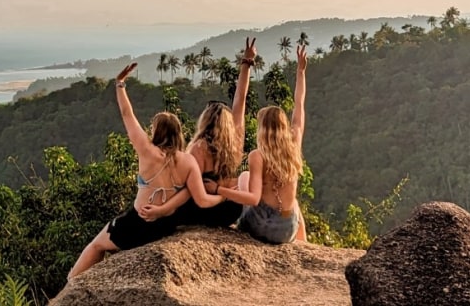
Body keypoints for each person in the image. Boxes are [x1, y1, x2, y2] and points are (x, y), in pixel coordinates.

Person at [67, 62, 223, 279]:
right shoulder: (188, 161)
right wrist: (223, 195)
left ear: (156, 131)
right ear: (178, 133)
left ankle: (70, 285)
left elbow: (127, 115)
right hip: (165, 226)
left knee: (97, 245)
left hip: (138, 223)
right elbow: (200, 197)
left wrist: (120, 84)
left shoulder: (147, 151)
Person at [139, 37, 255, 228]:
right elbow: (240, 100)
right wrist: (247, 63)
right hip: (229, 211)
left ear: (205, 120)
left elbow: (186, 190)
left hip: (204, 209)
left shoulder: (199, 148)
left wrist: (163, 209)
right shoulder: (235, 140)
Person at [216, 43, 307, 244]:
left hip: (263, 225)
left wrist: (221, 191)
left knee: (244, 176)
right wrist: (300, 72)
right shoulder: (293, 146)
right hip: (288, 228)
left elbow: (254, 199)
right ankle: (303, 244)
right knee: (293, 203)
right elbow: (299, 107)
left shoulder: (258, 155)